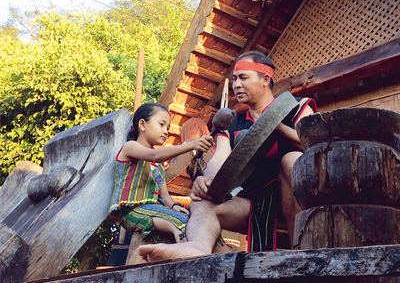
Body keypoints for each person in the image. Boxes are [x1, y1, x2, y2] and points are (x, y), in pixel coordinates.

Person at [138, 52, 316, 261]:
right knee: (202, 201)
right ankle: (197, 246)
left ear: (265, 79)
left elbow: (315, 143)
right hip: (251, 204)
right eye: (234, 79)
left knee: (292, 159)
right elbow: (220, 157)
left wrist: (274, 127)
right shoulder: (232, 123)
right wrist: (206, 182)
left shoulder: (297, 106)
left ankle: (301, 251)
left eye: (243, 77)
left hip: (297, 200)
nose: (236, 84)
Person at [109, 103, 214, 243]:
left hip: (153, 209)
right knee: (180, 223)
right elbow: (154, 155)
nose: (166, 131)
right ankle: (184, 250)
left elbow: (164, 195)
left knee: (191, 220)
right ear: (142, 124)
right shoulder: (130, 147)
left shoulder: (158, 165)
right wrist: (191, 145)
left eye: (168, 128)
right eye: (161, 124)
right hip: (131, 210)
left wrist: (174, 206)